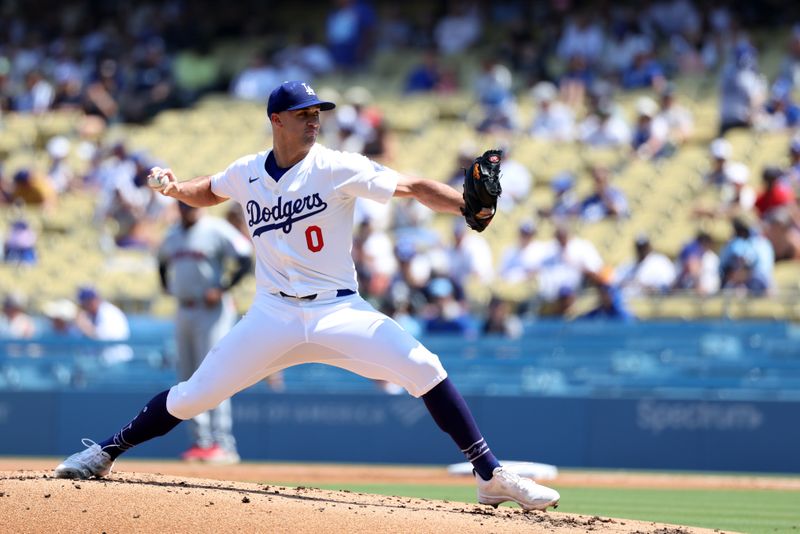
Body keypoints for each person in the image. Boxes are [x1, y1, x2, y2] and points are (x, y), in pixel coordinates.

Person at [54, 80, 560, 511]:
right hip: (271, 314)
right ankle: (104, 451)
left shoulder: (336, 165)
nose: (314, 120)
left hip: (339, 309)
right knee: (194, 395)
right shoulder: (248, 170)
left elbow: (411, 186)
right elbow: (208, 190)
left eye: (318, 113)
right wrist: (173, 189)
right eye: (304, 113)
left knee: (425, 367)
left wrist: (464, 206)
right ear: (277, 119)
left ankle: (490, 475)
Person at [157, 201, 254, 464]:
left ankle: (223, 443)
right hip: (184, 309)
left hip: (211, 310)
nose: (189, 209)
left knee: (213, 372)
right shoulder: (172, 234)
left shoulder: (216, 229)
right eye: (184, 205)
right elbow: (162, 263)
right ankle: (201, 442)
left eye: (191, 205)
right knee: (187, 377)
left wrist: (222, 288)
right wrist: (167, 285)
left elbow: (246, 259)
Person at [73, 286, 132, 364]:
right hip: (105, 360)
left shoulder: (108, 312)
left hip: (117, 360)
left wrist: (84, 326)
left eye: (86, 303)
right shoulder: (94, 314)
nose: (84, 307)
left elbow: (103, 337)